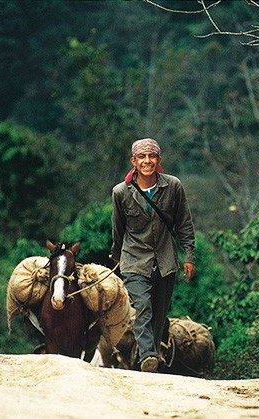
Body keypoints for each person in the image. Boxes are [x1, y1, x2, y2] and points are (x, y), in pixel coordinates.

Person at [110, 138, 196, 373]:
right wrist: (117, 258)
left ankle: (147, 362)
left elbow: (185, 224)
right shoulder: (121, 192)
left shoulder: (173, 186)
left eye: (152, 156)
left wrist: (189, 256)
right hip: (134, 261)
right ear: (134, 161)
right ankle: (148, 354)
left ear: (159, 160)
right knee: (144, 307)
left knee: (159, 314)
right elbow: (118, 228)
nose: (147, 161)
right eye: (142, 157)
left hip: (166, 260)